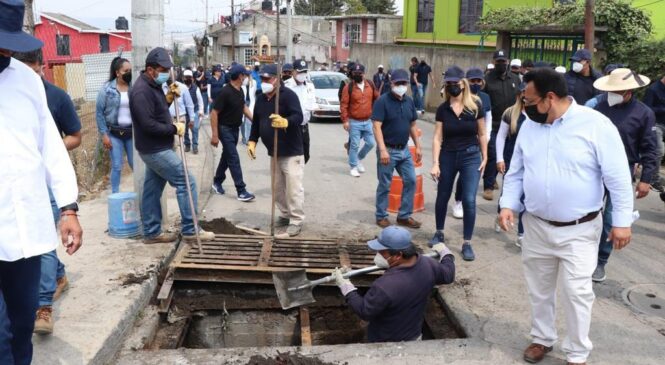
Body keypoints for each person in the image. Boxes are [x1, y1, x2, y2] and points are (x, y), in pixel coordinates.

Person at [498, 68, 633, 365]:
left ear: (550, 97)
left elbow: (619, 177)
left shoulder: (595, 125)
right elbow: (517, 170)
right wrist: (508, 204)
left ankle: (577, 353)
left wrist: (622, 221)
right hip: (536, 225)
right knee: (539, 289)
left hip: (579, 230)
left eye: (530, 101)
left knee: (577, 293)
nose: (526, 107)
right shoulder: (530, 127)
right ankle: (542, 338)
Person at [0, 1, 82, 362]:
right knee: (0, 335)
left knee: (21, 327)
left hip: (26, 231)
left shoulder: (27, 81)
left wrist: (68, 208)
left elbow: (52, 148)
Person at [14, 47, 82, 336]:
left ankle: (43, 306)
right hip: (19, 183)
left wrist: (45, 153)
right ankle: (58, 275)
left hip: (50, 181)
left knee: (44, 242)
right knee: (30, 243)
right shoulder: (10, 95)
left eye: (33, 68)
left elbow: (76, 136)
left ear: (42, 66)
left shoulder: (55, 97)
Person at [129, 47, 215, 244]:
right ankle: (190, 228)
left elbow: (156, 112)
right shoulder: (141, 91)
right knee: (187, 181)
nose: (166, 73)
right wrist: (173, 129)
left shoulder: (153, 86)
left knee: (152, 190)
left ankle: (151, 232)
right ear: (150, 70)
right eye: (162, 69)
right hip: (154, 149)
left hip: (156, 147)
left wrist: (168, 99)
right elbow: (147, 124)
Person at [591, 68, 658, 282]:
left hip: (623, 170)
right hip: (593, 168)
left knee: (612, 217)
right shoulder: (599, 108)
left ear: (628, 91)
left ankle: (601, 261)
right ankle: (584, 255)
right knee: (588, 213)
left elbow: (650, 149)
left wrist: (646, 179)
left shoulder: (644, 113)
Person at [333, 226, 455, 343]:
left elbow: (365, 311)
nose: (378, 255)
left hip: (385, 342)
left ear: (398, 255)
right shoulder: (429, 264)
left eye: (382, 252)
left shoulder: (385, 286)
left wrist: (346, 286)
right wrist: (446, 253)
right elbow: (448, 275)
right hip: (414, 335)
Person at [429, 66, 488, 261]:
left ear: (463, 84)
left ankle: (466, 242)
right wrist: (435, 163)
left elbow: (481, 133)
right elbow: (437, 137)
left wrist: (485, 157)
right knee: (443, 194)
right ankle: (439, 232)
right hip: (447, 155)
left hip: (471, 156)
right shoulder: (443, 109)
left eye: (456, 83)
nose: (453, 86)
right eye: (449, 84)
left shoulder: (475, 106)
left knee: (469, 200)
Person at [247, 64, 305, 237]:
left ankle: (296, 219)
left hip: (291, 151)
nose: (264, 82)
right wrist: (252, 141)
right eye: (262, 79)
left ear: (276, 79)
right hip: (274, 151)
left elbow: (298, 116)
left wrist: (286, 121)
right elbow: (256, 122)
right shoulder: (260, 98)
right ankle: (285, 214)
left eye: (267, 79)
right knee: (277, 188)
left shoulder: (288, 96)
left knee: (293, 188)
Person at [372, 69, 422, 229]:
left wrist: (418, 146)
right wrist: (382, 150)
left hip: (404, 150)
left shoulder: (409, 101)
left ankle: (404, 215)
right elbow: (376, 126)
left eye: (403, 83)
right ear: (391, 83)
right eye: (398, 83)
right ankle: (381, 215)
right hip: (388, 150)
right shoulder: (382, 101)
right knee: (385, 184)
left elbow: (413, 125)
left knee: (411, 180)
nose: (401, 86)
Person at [450, 67, 492, 219]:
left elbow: (488, 119)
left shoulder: (485, 98)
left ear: (482, 82)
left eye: (478, 81)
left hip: (479, 140)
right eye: (472, 80)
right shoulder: (460, 96)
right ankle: (459, 200)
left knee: (473, 174)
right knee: (463, 174)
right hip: (464, 141)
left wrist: (485, 138)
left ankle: (468, 200)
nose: (475, 83)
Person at [210, 64, 256, 202]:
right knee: (233, 158)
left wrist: (255, 121)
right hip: (225, 129)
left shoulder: (240, 90)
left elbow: (243, 107)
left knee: (227, 156)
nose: (247, 78)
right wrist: (214, 135)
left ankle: (217, 182)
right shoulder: (225, 92)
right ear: (240, 76)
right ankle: (241, 190)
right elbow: (214, 113)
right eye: (245, 75)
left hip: (235, 129)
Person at [482, 49, 520, 201]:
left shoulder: (515, 79)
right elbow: (483, 100)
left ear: (508, 62)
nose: (501, 64)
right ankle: (488, 186)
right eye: (498, 62)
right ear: (494, 62)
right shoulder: (487, 79)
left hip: (512, 122)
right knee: (493, 155)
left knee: (507, 155)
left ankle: (507, 185)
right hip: (494, 123)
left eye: (503, 61)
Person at [94, 57, 134, 193]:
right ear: (117, 73)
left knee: (136, 164)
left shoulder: (134, 87)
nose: (129, 73)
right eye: (126, 71)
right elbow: (99, 113)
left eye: (130, 70)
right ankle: (115, 195)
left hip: (132, 133)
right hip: (114, 134)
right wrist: (104, 134)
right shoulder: (106, 90)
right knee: (117, 165)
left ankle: (142, 191)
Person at [495, 82, 528, 247]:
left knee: (526, 197)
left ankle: (522, 233)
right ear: (519, 95)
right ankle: (501, 213)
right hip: (510, 159)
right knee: (507, 192)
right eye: (523, 92)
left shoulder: (539, 114)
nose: (526, 95)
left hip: (529, 161)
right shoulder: (510, 113)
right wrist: (499, 159)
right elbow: (500, 136)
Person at [341, 63, 379, 177]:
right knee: (355, 145)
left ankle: (358, 159)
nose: (357, 75)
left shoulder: (370, 85)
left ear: (364, 73)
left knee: (371, 143)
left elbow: (378, 98)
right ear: (352, 74)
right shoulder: (348, 87)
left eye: (359, 73)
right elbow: (344, 105)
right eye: (355, 73)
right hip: (354, 122)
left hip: (367, 121)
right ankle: (353, 166)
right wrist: (345, 120)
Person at [287, 60, 317, 164]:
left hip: (304, 126)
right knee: (293, 156)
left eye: (304, 72)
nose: (302, 74)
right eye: (300, 72)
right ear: (293, 72)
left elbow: (312, 102)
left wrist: (314, 107)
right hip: (291, 127)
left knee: (306, 155)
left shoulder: (310, 86)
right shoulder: (286, 86)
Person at [643, 74, 665, 193]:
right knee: (659, 150)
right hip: (656, 124)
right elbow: (647, 109)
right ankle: (653, 178)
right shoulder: (653, 89)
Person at [163, 77, 196, 152]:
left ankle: (176, 161)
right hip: (167, 119)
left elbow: (189, 104)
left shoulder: (182, 87)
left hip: (180, 118)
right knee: (170, 144)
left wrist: (192, 119)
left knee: (178, 142)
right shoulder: (161, 87)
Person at [182, 70, 205, 154]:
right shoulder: (180, 88)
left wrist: (201, 111)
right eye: (186, 77)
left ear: (192, 78)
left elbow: (200, 101)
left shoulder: (196, 88)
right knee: (184, 130)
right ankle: (187, 145)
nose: (188, 79)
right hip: (183, 113)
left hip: (194, 112)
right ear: (183, 78)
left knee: (195, 129)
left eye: (189, 77)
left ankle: (195, 146)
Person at [241, 66, 258, 145]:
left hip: (250, 103)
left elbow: (254, 93)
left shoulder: (254, 82)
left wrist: (250, 81)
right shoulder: (242, 82)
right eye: (246, 75)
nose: (247, 76)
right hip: (242, 103)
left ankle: (248, 138)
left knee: (248, 122)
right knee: (242, 122)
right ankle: (244, 137)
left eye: (248, 75)